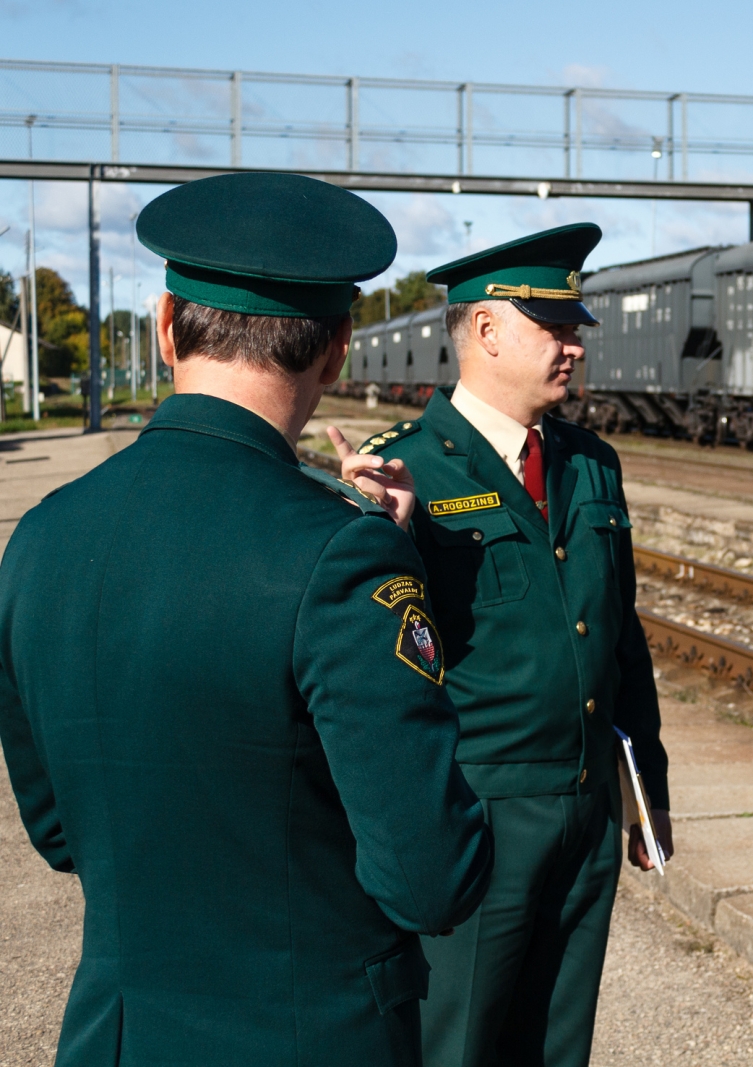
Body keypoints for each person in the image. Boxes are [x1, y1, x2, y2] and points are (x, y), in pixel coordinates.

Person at [0, 172, 494, 1066]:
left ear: (162, 327)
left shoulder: (38, 539)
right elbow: (432, 879)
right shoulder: (344, 554)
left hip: (117, 1039)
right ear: (338, 348)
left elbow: (59, 830)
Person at [339, 223, 671, 1067]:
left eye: (573, 327)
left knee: (558, 1046)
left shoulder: (590, 464)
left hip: (586, 806)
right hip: (476, 814)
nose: (572, 346)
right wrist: (382, 534)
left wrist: (648, 792)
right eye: (553, 326)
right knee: (459, 1043)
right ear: (486, 331)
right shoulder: (400, 472)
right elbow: (369, 661)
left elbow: (619, 635)